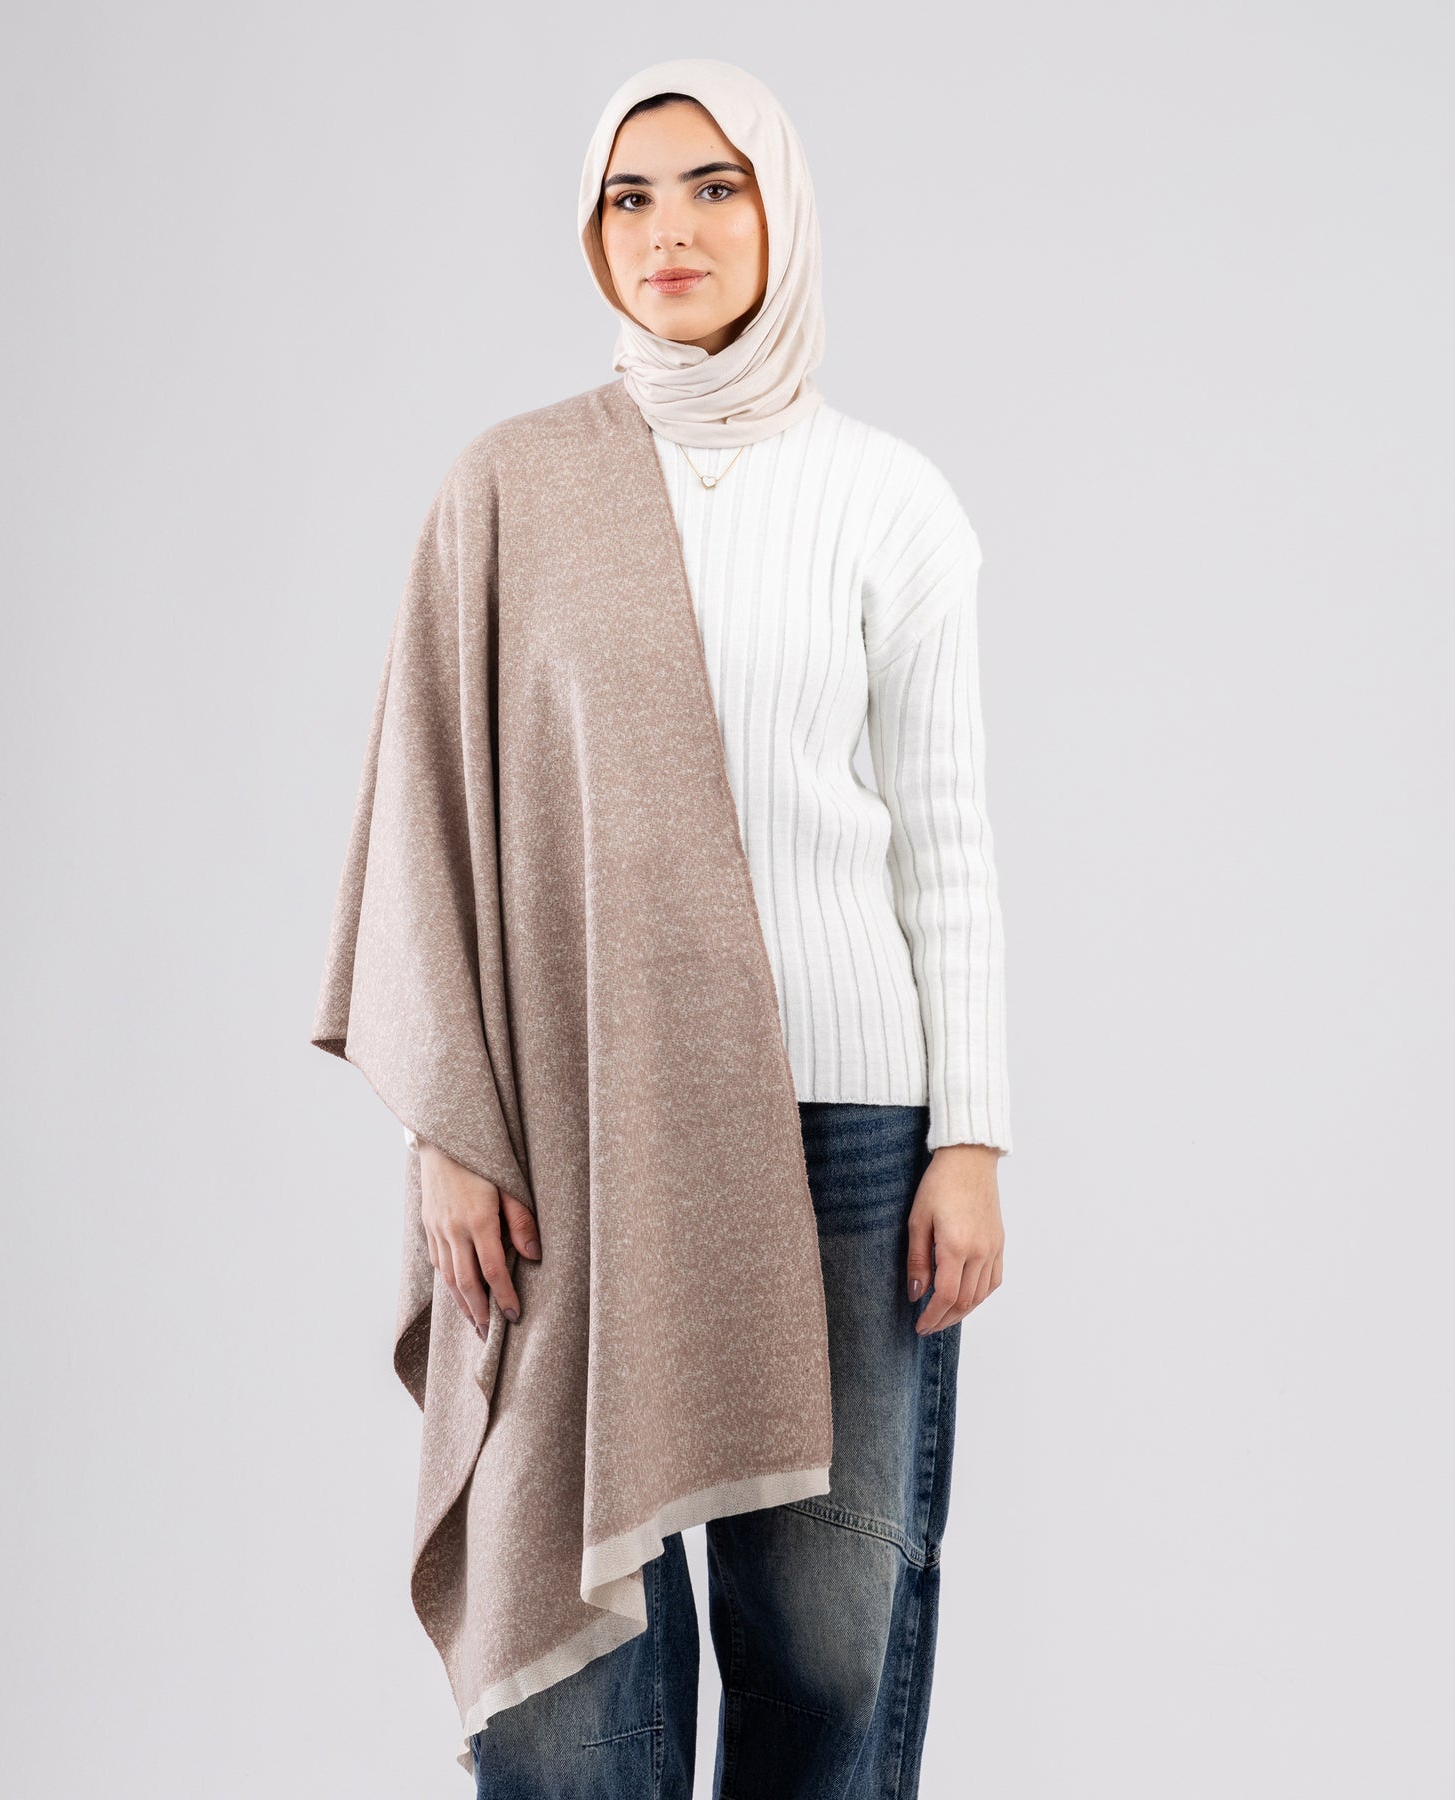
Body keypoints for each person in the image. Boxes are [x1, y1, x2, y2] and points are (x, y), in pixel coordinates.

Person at [313, 56, 1009, 1800]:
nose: (669, 229)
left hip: (850, 1133)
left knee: (830, 1641)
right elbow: (429, 822)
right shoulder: (511, 487)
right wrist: (445, 1131)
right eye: (630, 197)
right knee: (575, 1664)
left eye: (714, 187)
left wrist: (974, 1136)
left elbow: (946, 845)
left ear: (782, 213)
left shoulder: (890, 499)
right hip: (586, 1129)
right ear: (591, 233)